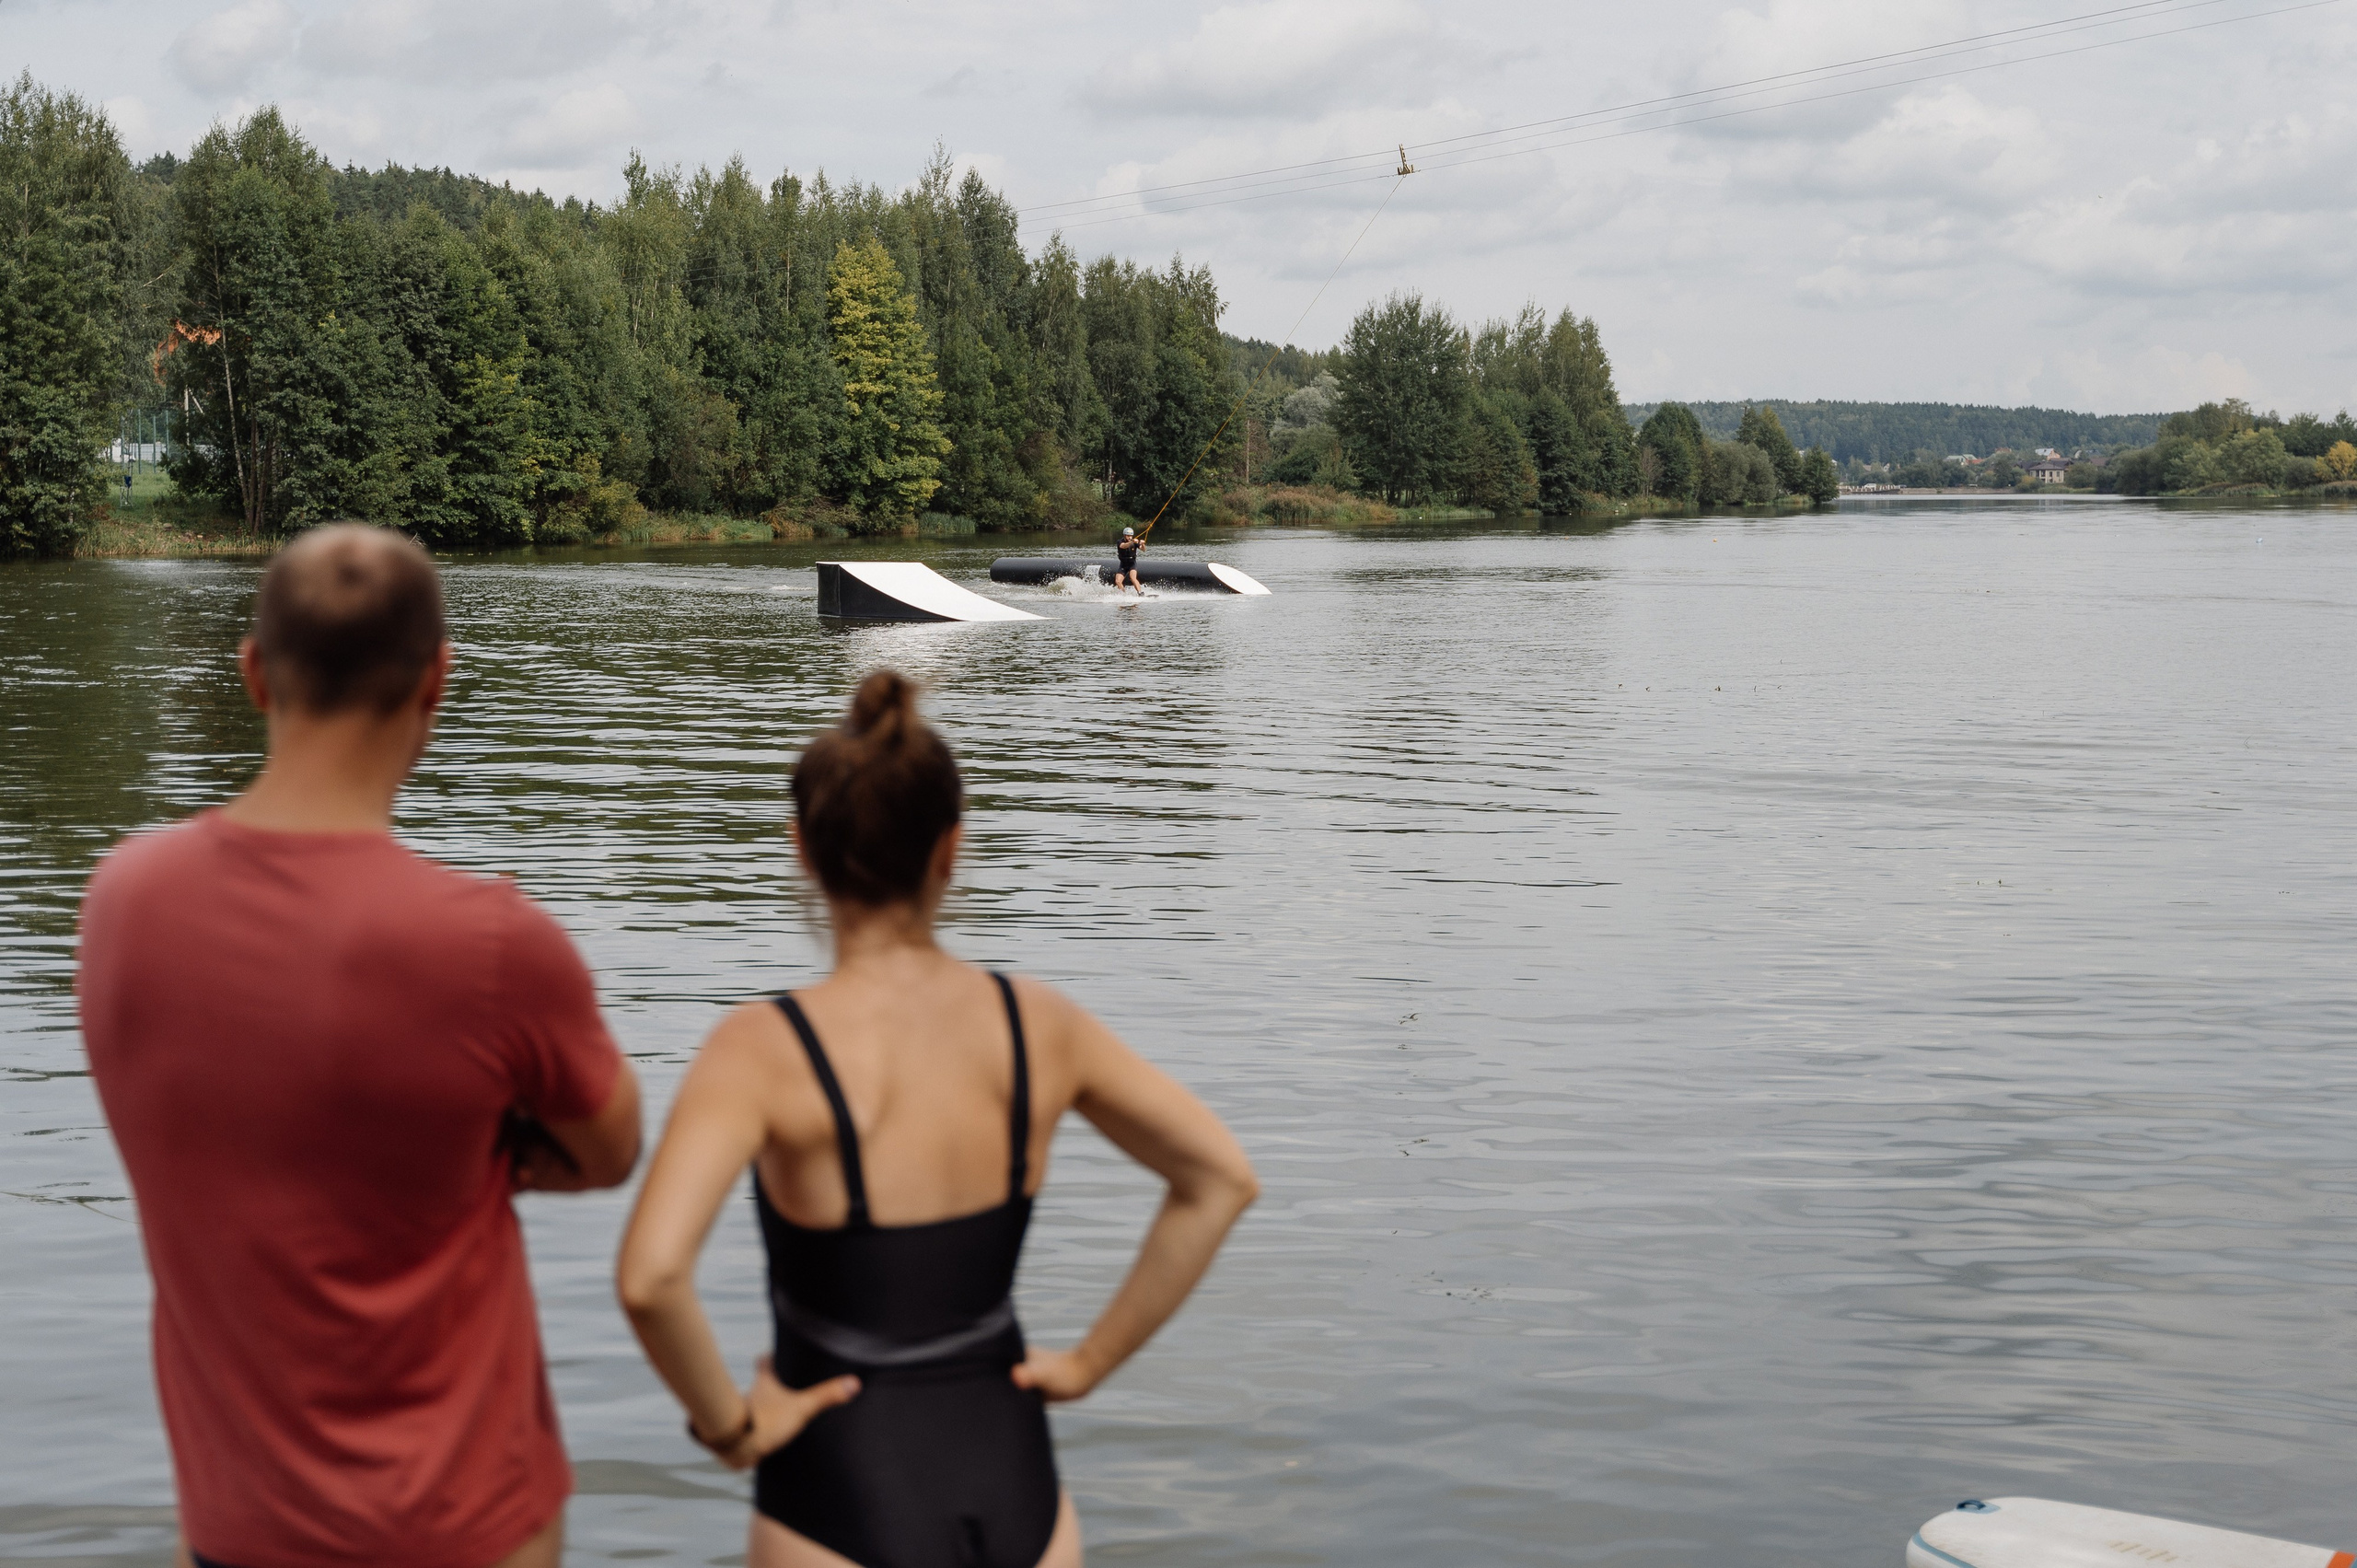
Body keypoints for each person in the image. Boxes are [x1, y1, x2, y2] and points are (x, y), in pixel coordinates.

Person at [77, 524, 643, 1568]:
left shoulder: (121, 903)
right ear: (437, 678)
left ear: (254, 673)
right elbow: (609, 1148)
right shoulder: (495, 944)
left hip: (239, 1526)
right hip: (468, 1521)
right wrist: (481, 1150)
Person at [617, 670, 1257, 1568]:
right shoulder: (1035, 1023)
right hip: (1017, 1479)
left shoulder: (762, 1048)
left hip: (834, 1491)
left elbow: (650, 1277)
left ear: (802, 848)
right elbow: (1220, 1177)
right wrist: (1087, 1363)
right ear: (951, 848)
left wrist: (729, 1424)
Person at [1112, 526, 1142, 593]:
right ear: (1124, 535)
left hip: (1132, 563)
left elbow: (1143, 549)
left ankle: (1140, 593)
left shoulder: (1135, 543)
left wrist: (1142, 544)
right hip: (1123, 564)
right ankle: (1124, 594)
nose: (1130, 537)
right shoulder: (1119, 541)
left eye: (1131, 536)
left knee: (1133, 578)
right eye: (1128, 536)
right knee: (1118, 581)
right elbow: (1123, 546)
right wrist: (1132, 542)